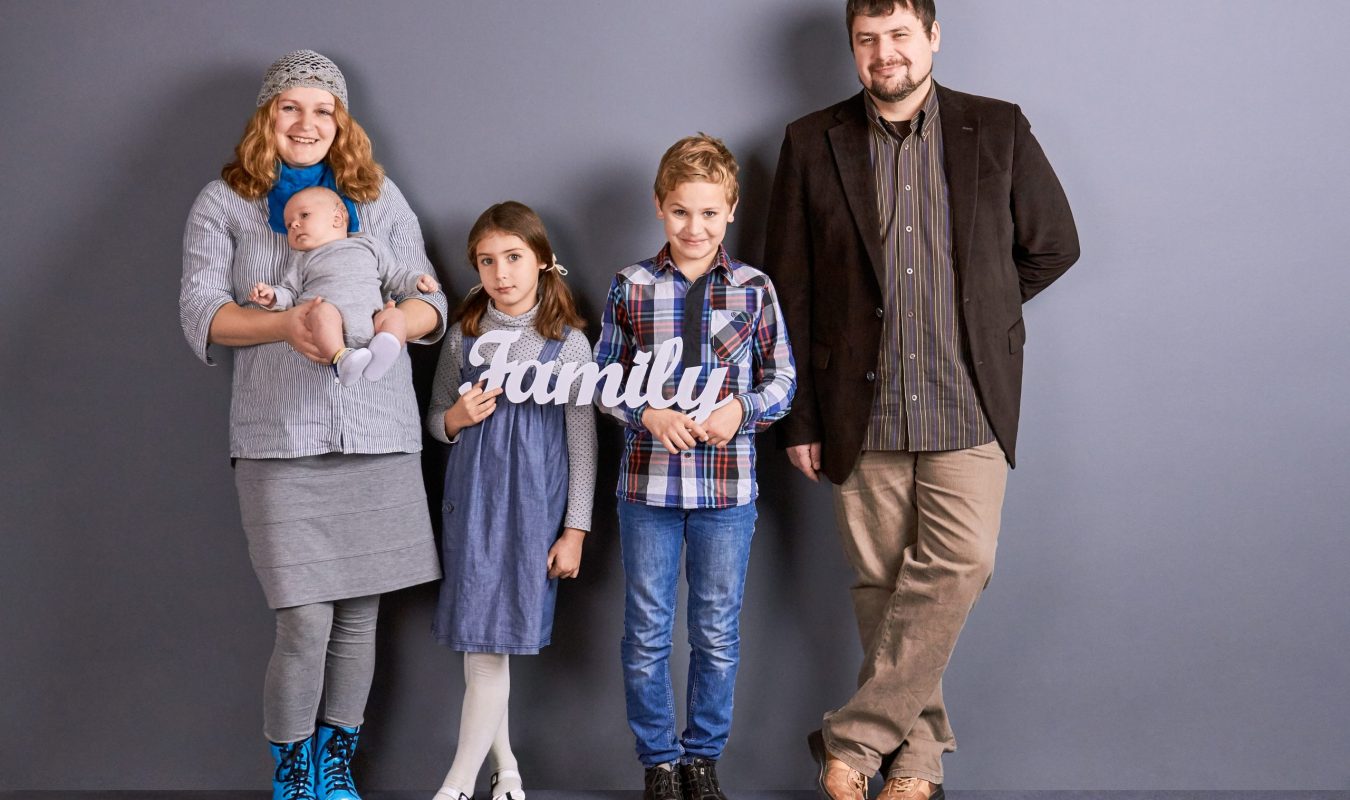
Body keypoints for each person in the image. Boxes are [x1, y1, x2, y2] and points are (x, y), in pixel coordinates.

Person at [762, 2, 1081, 799]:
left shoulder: (996, 128)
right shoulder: (811, 142)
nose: (884, 53)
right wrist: (799, 417)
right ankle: (918, 764)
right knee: (881, 586)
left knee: (961, 563)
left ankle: (853, 739)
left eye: (900, 34)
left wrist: (982, 312)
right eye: (867, 40)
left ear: (932, 37)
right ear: (853, 50)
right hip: (854, 406)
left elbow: (1053, 244)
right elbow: (786, 292)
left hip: (966, 397)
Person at [179, 50, 448, 800]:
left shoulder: (377, 196)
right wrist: (283, 324)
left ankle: (337, 768)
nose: (308, 123)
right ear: (267, 116)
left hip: (378, 434)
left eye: (324, 109)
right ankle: (291, 773)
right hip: (280, 442)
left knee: (360, 621)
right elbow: (200, 312)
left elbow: (428, 295)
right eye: (291, 107)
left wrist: (407, 314)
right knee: (302, 623)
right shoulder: (223, 202)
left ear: (342, 121)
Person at [594, 134, 796, 800]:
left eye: (709, 213)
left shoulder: (754, 289)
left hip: (727, 490)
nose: (694, 227)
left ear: (731, 210)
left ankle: (702, 757)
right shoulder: (631, 285)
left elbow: (782, 379)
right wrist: (646, 412)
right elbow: (600, 377)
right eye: (681, 211)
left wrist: (742, 411)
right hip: (646, 488)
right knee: (647, 628)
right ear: (659, 206)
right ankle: (658, 759)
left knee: (715, 629)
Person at [426, 202, 597, 800]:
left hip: (531, 512)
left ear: (544, 261)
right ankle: (509, 772)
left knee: (491, 647)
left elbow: (582, 439)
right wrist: (455, 417)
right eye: (487, 261)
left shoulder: (568, 345)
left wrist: (574, 529)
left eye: (514, 257)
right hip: (470, 508)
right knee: (481, 643)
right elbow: (434, 419)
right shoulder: (463, 338)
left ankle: (455, 786)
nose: (502, 272)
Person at [248, 186, 440, 385]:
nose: (294, 224)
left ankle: (384, 350)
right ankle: (342, 359)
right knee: (321, 312)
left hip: (372, 323)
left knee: (395, 315)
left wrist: (416, 281)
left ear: (337, 218)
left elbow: (394, 275)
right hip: (327, 326)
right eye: (288, 225)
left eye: (304, 215)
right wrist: (273, 297)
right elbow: (290, 291)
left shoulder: (367, 244)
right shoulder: (302, 258)